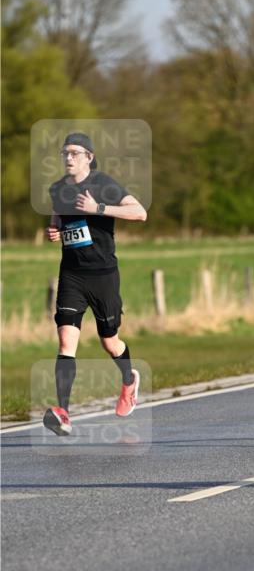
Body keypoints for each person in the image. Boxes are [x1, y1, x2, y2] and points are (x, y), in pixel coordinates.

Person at [43, 131, 147, 435]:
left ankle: (129, 380)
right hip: (72, 274)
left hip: (103, 274)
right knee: (66, 341)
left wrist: (98, 209)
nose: (69, 158)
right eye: (65, 153)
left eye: (75, 153)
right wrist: (54, 229)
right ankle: (63, 412)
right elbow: (57, 218)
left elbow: (140, 213)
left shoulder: (104, 184)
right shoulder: (57, 189)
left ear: (89, 157)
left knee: (110, 342)